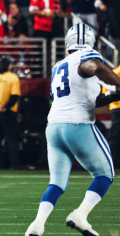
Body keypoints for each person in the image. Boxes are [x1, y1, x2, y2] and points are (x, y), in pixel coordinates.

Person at [25, 23, 120, 236]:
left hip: (54, 128)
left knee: (57, 183)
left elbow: (91, 99)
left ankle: (37, 225)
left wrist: (115, 95)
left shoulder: (60, 64)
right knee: (105, 174)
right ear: (90, 42)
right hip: (77, 125)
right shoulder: (88, 57)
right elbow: (94, 68)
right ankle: (80, 215)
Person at [0, 57, 21, 170]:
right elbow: (15, 95)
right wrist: (5, 107)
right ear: (9, 66)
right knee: (11, 138)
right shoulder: (13, 77)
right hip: (9, 112)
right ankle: (14, 164)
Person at [102, 65, 120, 170]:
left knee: (114, 138)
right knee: (114, 138)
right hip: (117, 108)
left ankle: (110, 165)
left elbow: (106, 92)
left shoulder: (113, 72)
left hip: (117, 108)